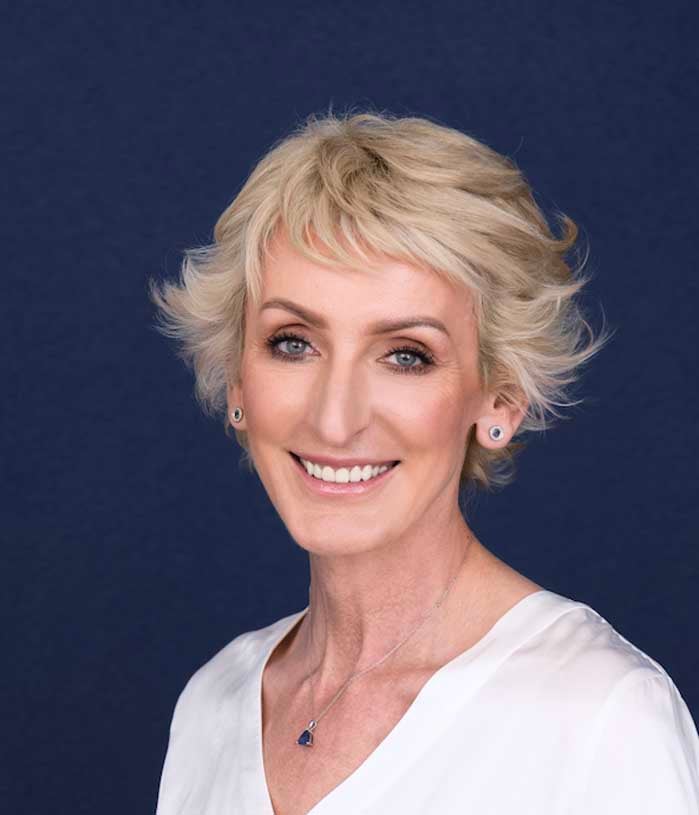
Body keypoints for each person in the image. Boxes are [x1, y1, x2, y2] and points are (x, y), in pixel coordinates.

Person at [148, 109, 699, 814]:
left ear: (499, 400)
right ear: (236, 381)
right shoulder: (213, 706)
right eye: (293, 342)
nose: (334, 416)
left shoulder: (600, 716)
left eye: (405, 355)